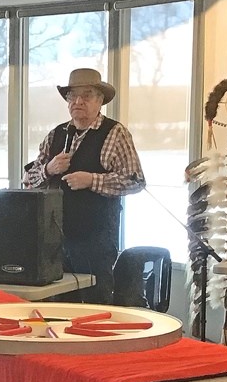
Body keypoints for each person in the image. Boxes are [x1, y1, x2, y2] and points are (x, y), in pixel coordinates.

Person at [23, 68, 145, 304]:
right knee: (56, 304)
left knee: (94, 304)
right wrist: (49, 169)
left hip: (95, 240)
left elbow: (136, 180)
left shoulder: (115, 133)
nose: (78, 101)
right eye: (72, 96)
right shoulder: (55, 135)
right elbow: (28, 180)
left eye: (86, 95)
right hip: (54, 240)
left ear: (100, 101)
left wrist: (92, 180)